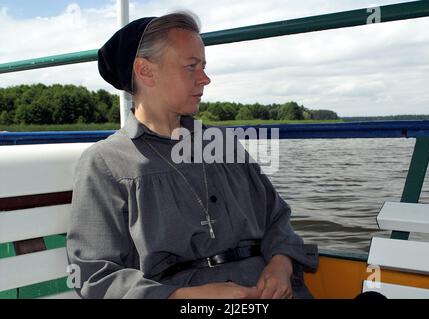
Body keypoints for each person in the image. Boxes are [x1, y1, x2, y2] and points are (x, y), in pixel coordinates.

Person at [66, 11, 318, 299]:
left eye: (204, 66)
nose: (205, 79)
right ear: (145, 71)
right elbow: (93, 274)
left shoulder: (223, 144)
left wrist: (281, 264)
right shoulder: (106, 163)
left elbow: (277, 218)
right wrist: (186, 297)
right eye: (191, 66)